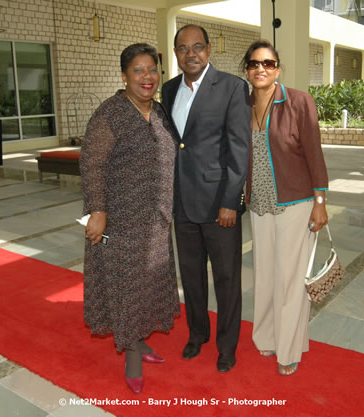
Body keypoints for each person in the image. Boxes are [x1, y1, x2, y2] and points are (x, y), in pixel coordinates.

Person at [80, 43, 180, 394]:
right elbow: (92, 164)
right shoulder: (110, 114)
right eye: (138, 70)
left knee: (149, 284)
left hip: (156, 219)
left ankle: (138, 342)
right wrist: (98, 210)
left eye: (152, 69)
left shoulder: (161, 112)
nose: (147, 76)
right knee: (128, 287)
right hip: (121, 220)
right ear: (125, 76)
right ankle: (132, 356)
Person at [162, 24, 251, 373]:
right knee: (192, 274)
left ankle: (227, 346)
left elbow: (239, 149)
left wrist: (231, 201)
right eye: (183, 49)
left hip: (219, 205)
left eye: (198, 47)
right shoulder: (169, 90)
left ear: (209, 50)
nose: (191, 54)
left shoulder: (231, 87)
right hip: (182, 202)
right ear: (176, 54)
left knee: (227, 279)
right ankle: (197, 334)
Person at [241, 40, 329, 376]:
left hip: (295, 202)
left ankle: (289, 348)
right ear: (247, 70)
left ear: (278, 68)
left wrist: (320, 201)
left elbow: (314, 153)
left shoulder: (298, 102)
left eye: (268, 63)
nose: (260, 68)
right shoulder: (243, 105)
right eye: (253, 64)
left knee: (290, 280)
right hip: (260, 205)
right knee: (264, 274)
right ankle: (266, 336)